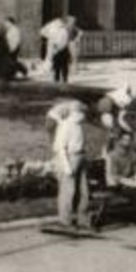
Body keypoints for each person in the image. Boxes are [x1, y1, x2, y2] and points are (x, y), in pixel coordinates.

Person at [47, 99, 92, 230]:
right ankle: (64, 220)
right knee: (68, 190)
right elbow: (60, 147)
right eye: (80, 112)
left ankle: (82, 219)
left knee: (83, 190)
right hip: (69, 158)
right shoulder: (66, 125)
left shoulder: (78, 125)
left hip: (80, 157)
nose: (82, 115)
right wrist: (66, 167)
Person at [41, 15, 77, 84]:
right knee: (61, 67)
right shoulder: (62, 30)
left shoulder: (60, 29)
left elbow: (43, 32)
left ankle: (59, 80)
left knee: (59, 67)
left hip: (59, 50)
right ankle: (62, 79)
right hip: (60, 50)